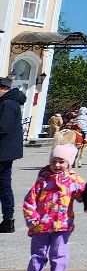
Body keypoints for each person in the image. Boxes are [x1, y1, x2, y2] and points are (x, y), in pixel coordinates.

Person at [22, 143, 86, 271]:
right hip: (40, 225)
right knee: (38, 254)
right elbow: (29, 200)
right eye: (53, 161)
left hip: (62, 224)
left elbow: (83, 195)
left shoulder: (74, 180)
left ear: (69, 163)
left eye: (61, 162)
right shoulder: (43, 180)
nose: (57, 165)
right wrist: (31, 218)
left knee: (59, 253)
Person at [0, 76, 24, 233]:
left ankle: (8, 220)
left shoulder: (8, 104)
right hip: (6, 150)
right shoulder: (10, 102)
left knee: (4, 185)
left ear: (3, 89)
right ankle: (8, 219)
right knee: (3, 185)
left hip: (3, 151)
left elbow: (3, 128)